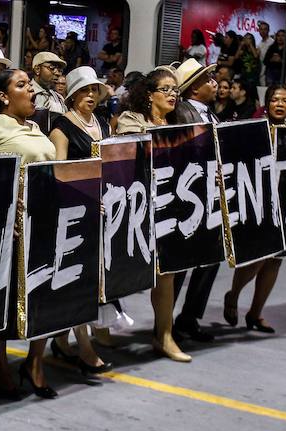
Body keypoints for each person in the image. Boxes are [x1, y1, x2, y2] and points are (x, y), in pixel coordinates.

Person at [0, 68, 57, 400]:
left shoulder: (36, 128)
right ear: (4, 96)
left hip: (45, 222)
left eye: (30, 85)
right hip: (12, 227)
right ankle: (2, 365)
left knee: (44, 293)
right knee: (5, 299)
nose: (31, 90)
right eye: (22, 85)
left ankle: (35, 363)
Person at [117, 67, 191, 362]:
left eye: (176, 90)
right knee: (121, 269)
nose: (172, 95)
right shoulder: (130, 119)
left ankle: (165, 335)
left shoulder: (181, 121)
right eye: (166, 89)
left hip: (170, 204)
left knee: (167, 273)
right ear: (149, 95)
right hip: (135, 206)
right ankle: (97, 328)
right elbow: (131, 151)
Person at [46, 66, 116, 373]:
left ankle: (61, 340)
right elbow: (59, 174)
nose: (90, 95)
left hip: (104, 208)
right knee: (78, 279)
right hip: (75, 212)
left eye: (94, 91)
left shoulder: (100, 122)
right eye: (84, 91)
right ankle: (84, 347)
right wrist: (83, 200)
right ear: (72, 95)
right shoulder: (61, 127)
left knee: (89, 277)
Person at [223, 84, 286, 334]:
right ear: (267, 103)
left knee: (275, 261)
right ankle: (232, 296)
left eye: (285, 100)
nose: (280, 104)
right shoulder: (252, 130)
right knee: (255, 259)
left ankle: (255, 313)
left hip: (284, 205)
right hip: (256, 201)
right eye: (275, 99)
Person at [167, 58, 220, 344]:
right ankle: (166, 324)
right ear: (194, 88)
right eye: (207, 78)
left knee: (210, 259)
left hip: (210, 197)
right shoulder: (182, 113)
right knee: (181, 263)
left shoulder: (211, 113)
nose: (214, 81)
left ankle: (189, 318)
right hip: (189, 197)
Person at [257, 21, 274, 86]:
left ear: (268, 30)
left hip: (269, 72)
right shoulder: (259, 44)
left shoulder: (272, 42)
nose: (263, 31)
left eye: (265, 29)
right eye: (261, 29)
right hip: (261, 71)